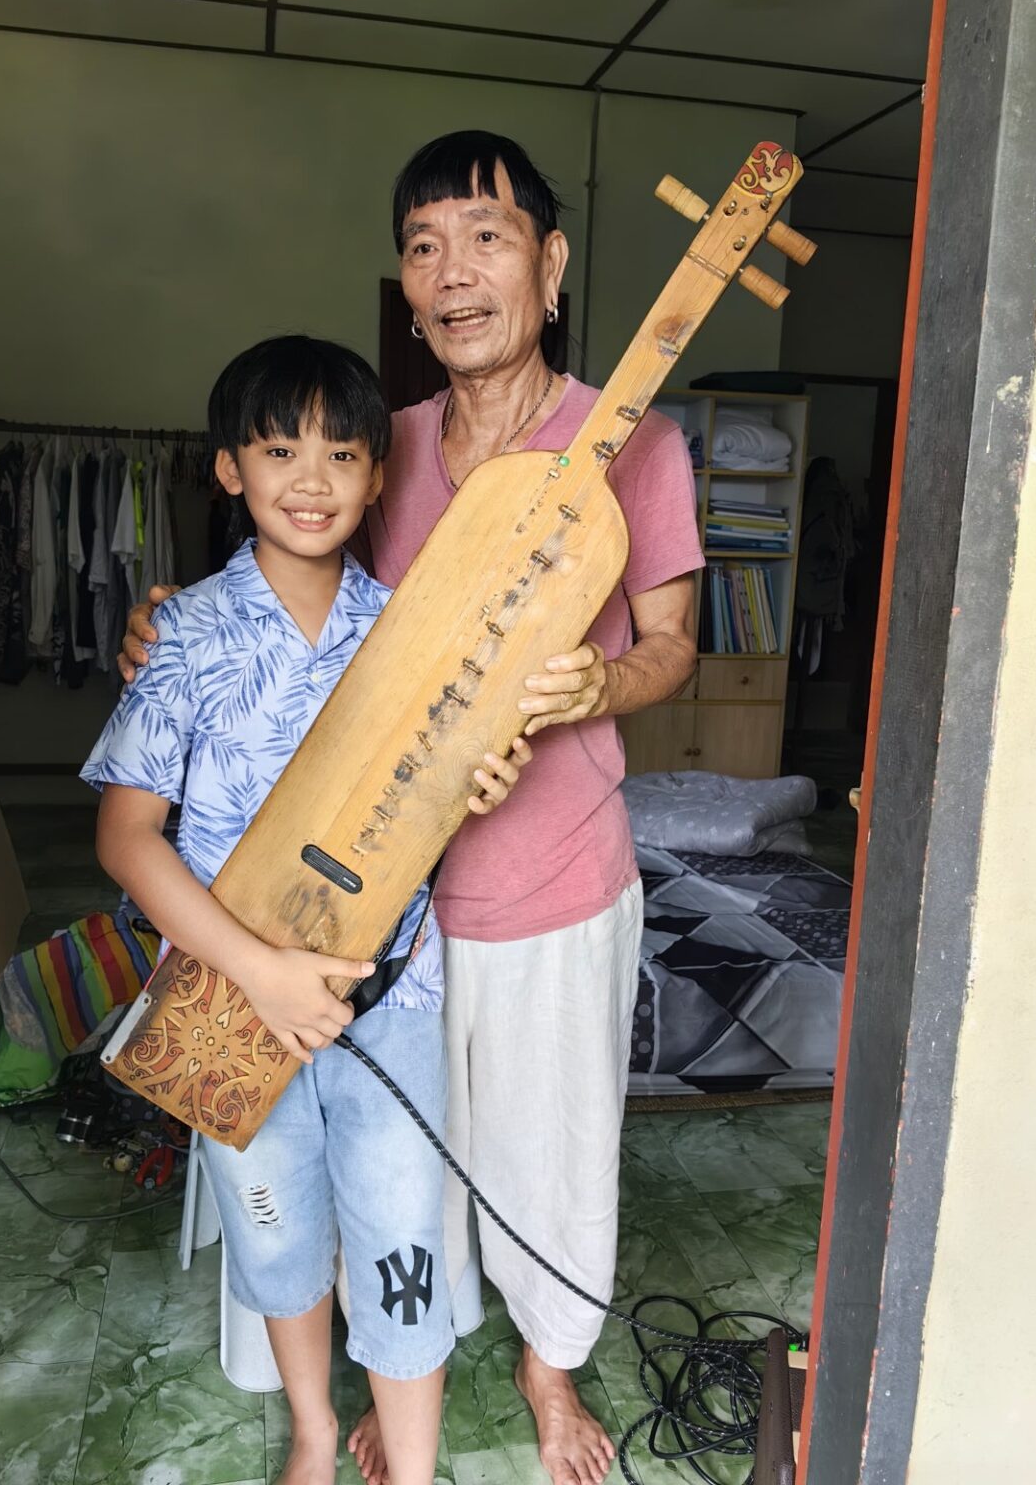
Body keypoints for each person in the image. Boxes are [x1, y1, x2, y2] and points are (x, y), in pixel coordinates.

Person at [122, 132, 703, 1485]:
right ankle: (395, 1378)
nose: (454, 273)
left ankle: (550, 1371)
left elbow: (674, 647)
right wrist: (172, 625)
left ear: (550, 267)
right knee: (394, 1169)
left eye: (487, 239)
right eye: (426, 247)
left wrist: (599, 682)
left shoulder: (638, 441)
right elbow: (302, 594)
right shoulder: (380, 443)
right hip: (380, 901)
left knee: (552, 1151)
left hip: (555, 873)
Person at [86, 335, 529, 1485]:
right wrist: (262, 972)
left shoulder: (413, 635)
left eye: (342, 452)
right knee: (275, 1227)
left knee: (400, 1226)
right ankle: (317, 1434)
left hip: (390, 999)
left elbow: (436, 798)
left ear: (379, 474)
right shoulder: (183, 634)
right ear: (229, 468)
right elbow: (126, 836)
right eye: (281, 450)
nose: (314, 479)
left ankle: (413, 1465)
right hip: (229, 996)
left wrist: (478, 782)